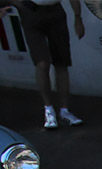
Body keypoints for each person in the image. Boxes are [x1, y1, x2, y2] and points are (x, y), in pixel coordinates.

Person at [13, 0, 83, 129]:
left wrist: (78, 17)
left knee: (61, 63)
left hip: (55, 12)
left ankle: (64, 111)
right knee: (42, 63)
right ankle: (49, 110)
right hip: (31, 12)